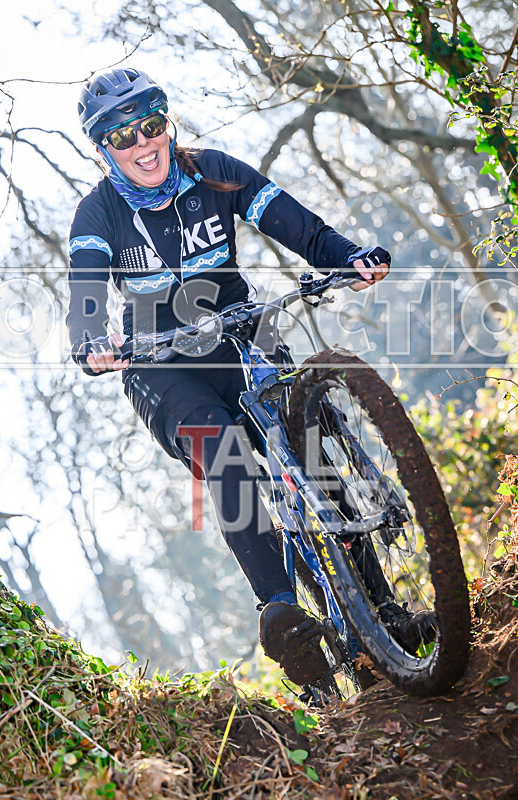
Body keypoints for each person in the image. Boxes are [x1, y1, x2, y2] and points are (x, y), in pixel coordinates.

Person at [67, 68, 424, 684]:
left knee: (311, 453)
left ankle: (384, 614)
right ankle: (282, 613)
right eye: (123, 137)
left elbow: (295, 223)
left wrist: (347, 257)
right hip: (162, 362)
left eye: (151, 125)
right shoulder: (97, 216)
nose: (143, 144)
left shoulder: (213, 170)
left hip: (240, 328)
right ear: (104, 150)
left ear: (166, 121)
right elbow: (85, 298)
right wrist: (91, 341)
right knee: (222, 449)